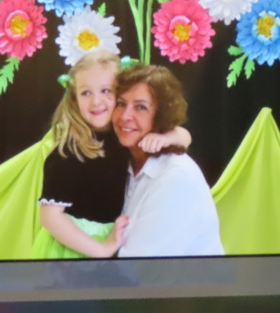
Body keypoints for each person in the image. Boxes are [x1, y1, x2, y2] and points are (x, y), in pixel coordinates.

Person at [34, 51, 191, 259]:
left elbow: (185, 137)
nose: (96, 101)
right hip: (77, 247)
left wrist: (166, 138)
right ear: (74, 98)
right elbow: (50, 217)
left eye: (106, 90)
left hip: (111, 239)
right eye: (86, 93)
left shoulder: (125, 134)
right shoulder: (69, 152)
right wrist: (101, 250)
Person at [112, 63, 224, 257]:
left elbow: (138, 266)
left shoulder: (176, 178)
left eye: (141, 107)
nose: (125, 116)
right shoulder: (124, 161)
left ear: (162, 115)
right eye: (121, 104)